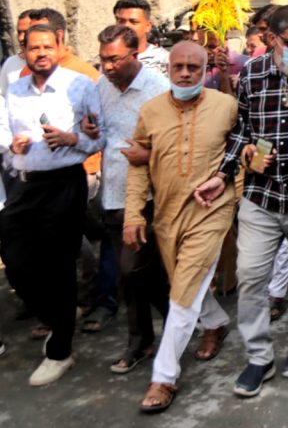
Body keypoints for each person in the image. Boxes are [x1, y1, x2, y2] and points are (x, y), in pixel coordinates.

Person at [190, 6, 288, 397]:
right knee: (251, 276)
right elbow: (241, 130)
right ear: (272, 39)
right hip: (261, 196)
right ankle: (258, 356)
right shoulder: (252, 74)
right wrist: (235, 163)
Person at [126, 41, 237, 413]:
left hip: (211, 210)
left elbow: (240, 151)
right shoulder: (150, 110)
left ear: (205, 70)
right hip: (167, 215)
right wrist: (133, 215)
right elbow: (138, 165)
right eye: (179, 67)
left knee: (185, 288)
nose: (186, 73)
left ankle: (164, 376)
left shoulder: (225, 106)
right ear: (168, 69)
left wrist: (232, 189)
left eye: (194, 67)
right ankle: (216, 322)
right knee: (186, 284)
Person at [0, 24, 105, 386]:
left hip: (64, 183)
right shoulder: (15, 89)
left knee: (59, 264)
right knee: (16, 260)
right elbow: (3, 129)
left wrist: (72, 138)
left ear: (60, 47)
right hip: (25, 184)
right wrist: (11, 144)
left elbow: (102, 135)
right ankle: (59, 316)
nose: (41, 53)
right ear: (24, 52)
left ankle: (60, 351)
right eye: (34, 47)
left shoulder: (81, 85)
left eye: (48, 46)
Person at [91, 26, 170, 375]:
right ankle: (142, 341)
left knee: (133, 268)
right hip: (111, 194)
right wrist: (89, 134)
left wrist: (149, 154)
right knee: (131, 277)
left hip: (147, 197)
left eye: (114, 59)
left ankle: (181, 319)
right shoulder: (102, 86)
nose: (107, 67)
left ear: (135, 55)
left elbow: (177, 145)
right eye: (103, 59)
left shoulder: (158, 89)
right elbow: (101, 136)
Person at [114, 0, 170, 75]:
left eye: (133, 22)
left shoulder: (165, 60)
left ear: (148, 26)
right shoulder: (109, 60)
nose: (126, 26)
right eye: (121, 21)